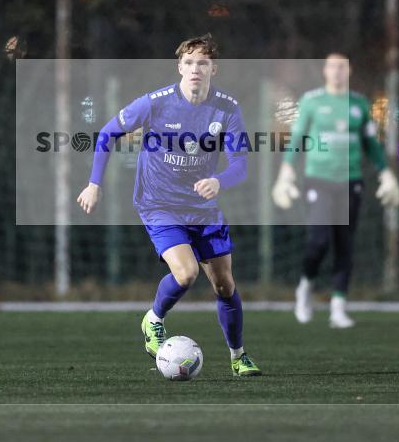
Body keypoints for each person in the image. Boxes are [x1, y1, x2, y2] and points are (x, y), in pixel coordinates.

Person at [77, 33, 261, 376]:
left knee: (224, 285)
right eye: (189, 62)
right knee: (187, 272)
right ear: (179, 67)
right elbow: (106, 134)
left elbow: (241, 165)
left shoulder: (227, 108)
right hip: (158, 203)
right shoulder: (155, 103)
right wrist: (93, 183)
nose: (195, 69)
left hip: (203, 209)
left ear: (213, 69)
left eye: (202, 63)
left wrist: (220, 180)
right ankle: (154, 319)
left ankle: (238, 356)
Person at [272, 53, 399, 328]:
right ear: (325, 71)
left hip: (351, 181)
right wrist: (286, 172)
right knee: (319, 241)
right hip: (318, 179)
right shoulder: (312, 101)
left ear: (349, 70)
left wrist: (386, 173)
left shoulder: (358, 104)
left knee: (345, 244)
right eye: (332, 66)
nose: (337, 71)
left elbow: (371, 143)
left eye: (342, 66)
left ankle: (338, 307)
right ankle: (305, 287)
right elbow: (297, 138)